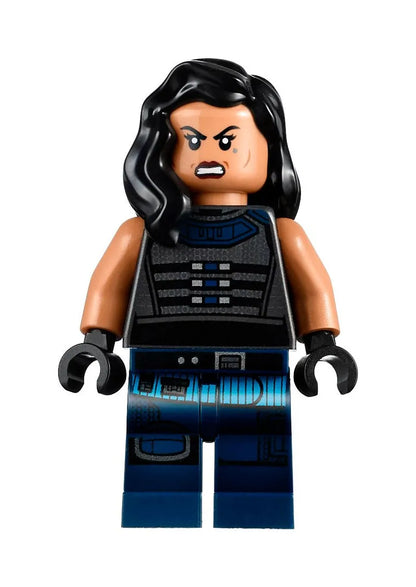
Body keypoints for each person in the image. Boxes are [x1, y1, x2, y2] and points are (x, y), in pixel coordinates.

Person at [59, 59, 357, 528]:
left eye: (228, 140)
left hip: (258, 366)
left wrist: (322, 344)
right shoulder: (141, 232)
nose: (210, 154)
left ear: (266, 147)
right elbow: (108, 284)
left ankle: (255, 535)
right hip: (161, 364)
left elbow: (312, 288)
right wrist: (96, 341)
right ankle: (159, 534)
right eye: (193, 141)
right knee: (158, 470)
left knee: (256, 471)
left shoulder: (281, 233)